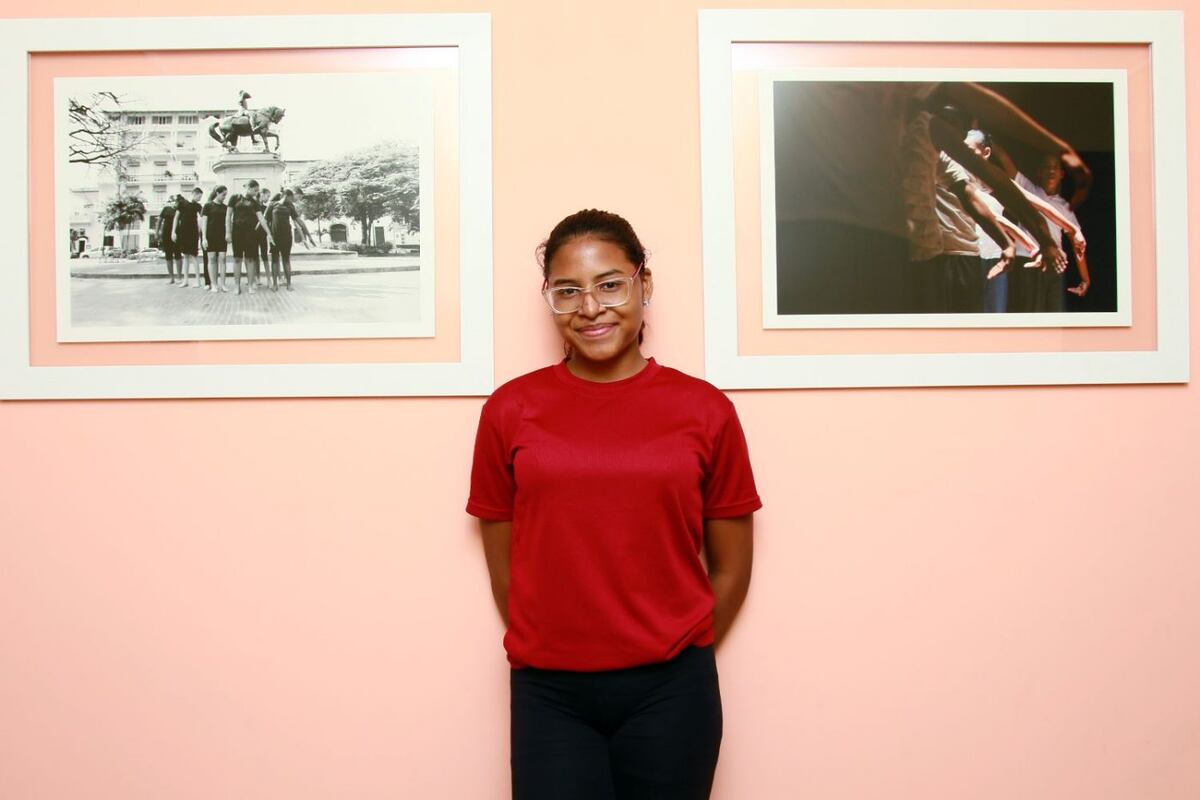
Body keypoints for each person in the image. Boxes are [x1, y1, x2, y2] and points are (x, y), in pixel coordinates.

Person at [467, 210, 761, 800]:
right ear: (548, 298)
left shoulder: (705, 410)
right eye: (568, 291)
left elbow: (731, 566)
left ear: (643, 285)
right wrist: (552, 640)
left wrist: (674, 647)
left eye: (610, 284)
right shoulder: (510, 410)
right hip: (548, 692)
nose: (591, 307)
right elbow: (505, 559)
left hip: (671, 691)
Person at [224, 179, 274, 295]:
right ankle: (237, 286)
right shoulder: (234, 198)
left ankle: (251, 285)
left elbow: (261, 218)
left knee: (250, 259)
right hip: (237, 232)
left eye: (257, 191)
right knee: (237, 259)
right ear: (249, 188)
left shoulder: (254, 202)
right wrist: (228, 232)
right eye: (255, 190)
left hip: (251, 234)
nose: (257, 193)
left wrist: (269, 234)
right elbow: (228, 216)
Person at [266, 189, 311, 291]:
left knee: (286, 260)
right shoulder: (272, 205)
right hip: (274, 237)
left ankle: (289, 284)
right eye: (291, 198)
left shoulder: (290, 206)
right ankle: (274, 284)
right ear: (286, 196)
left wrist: (307, 234)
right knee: (275, 260)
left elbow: (298, 220)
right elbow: (267, 221)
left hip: (286, 236)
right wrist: (269, 235)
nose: (292, 200)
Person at [171, 188, 204, 288]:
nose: (200, 198)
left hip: (193, 233)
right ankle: (185, 280)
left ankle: (198, 281)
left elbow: (202, 218)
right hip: (183, 233)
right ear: (194, 194)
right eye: (199, 196)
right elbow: (176, 218)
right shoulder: (182, 203)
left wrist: (200, 229)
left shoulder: (198, 206)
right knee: (185, 256)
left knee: (194, 256)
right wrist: (173, 232)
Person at [201, 185, 229, 293]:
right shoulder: (208, 206)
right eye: (223, 194)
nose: (224, 197)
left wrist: (228, 234)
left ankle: (223, 284)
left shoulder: (225, 208)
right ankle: (213, 284)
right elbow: (204, 223)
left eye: (225, 195)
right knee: (211, 259)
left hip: (222, 237)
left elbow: (227, 223)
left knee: (222, 259)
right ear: (217, 193)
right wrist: (204, 238)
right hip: (210, 236)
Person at [155, 196, 180, 285]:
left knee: (178, 255)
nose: (175, 203)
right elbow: (159, 221)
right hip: (165, 235)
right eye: (173, 201)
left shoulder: (179, 210)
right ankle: (171, 278)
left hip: (176, 235)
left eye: (176, 202)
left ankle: (179, 277)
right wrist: (156, 233)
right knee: (168, 256)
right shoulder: (166, 209)